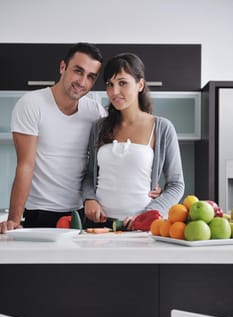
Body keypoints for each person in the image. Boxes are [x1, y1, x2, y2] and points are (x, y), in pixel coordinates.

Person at [0, 42, 107, 233]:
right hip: (39, 213)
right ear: (62, 67)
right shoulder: (32, 104)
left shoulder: (95, 112)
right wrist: (14, 220)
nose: (82, 82)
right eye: (78, 71)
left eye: (91, 77)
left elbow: (111, 160)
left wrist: (151, 184)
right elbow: (26, 165)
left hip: (81, 214)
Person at [82, 52, 185, 229]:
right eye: (109, 84)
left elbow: (176, 185)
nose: (114, 92)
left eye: (122, 83)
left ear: (140, 84)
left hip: (142, 226)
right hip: (99, 226)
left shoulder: (162, 128)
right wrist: (89, 198)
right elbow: (90, 175)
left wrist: (148, 213)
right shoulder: (98, 127)